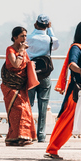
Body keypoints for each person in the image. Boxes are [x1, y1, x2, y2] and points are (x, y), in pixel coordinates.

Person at [45, 20, 81, 160]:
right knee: (68, 121)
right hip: (77, 92)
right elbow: (72, 64)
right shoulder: (76, 48)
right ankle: (52, 149)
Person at [0, 27, 38, 146]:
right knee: (17, 111)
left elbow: (25, 65)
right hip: (11, 86)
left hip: (21, 85)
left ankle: (22, 137)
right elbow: (16, 65)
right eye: (22, 36)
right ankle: (16, 137)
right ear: (15, 38)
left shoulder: (24, 51)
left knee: (25, 110)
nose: (24, 38)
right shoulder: (10, 49)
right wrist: (21, 51)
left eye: (25, 36)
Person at [26, 14, 60, 142]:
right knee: (43, 105)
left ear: (36, 24)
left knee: (28, 104)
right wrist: (50, 29)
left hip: (31, 73)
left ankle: (29, 132)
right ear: (47, 25)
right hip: (45, 74)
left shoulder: (28, 38)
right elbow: (56, 45)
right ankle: (41, 135)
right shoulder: (50, 40)